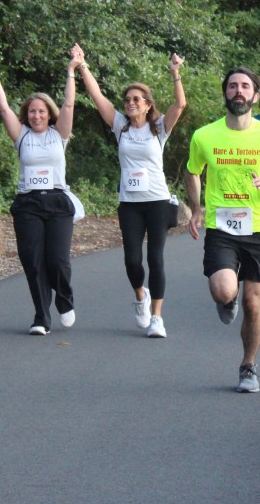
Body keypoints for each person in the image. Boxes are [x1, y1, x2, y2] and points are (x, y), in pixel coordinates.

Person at [185, 67, 260, 393]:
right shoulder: (204, 135)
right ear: (225, 93)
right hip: (222, 225)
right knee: (223, 290)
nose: (238, 91)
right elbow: (192, 171)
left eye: (245, 86)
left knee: (253, 303)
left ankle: (248, 366)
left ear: (255, 96)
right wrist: (196, 208)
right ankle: (227, 299)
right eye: (233, 86)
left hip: (259, 226)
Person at [75, 46, 186, 339]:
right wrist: (83, 66)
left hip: (157, 201)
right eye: (127, 100)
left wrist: (175, 72)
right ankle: (140, 295)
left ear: (148, 105)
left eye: (137, 99)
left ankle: (157, 318)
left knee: (155, 258)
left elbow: (180, 105)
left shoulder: (158, 128)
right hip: (130, 204)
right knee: (132, 260)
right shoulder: (120, 126)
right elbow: (97, 96)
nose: (131, 103)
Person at [0, 48, 78, 336]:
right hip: (28, 204)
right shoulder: (21, 135)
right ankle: (41, 316)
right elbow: (4, 109)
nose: (36, 115)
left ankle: (64, 298)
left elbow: (69, 104)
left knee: (57, 261)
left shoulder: (58, 134)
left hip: (58, 202)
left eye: (41, 111)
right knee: (33, 261)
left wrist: (71, 71)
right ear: (26, 115)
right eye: (32, 111)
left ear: (49, 114)